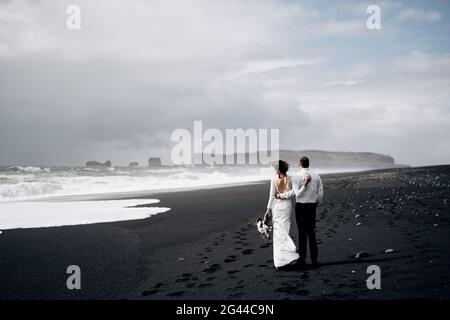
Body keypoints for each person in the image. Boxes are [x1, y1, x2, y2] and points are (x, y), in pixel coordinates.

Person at [277, 156, 323, 268]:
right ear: (308, 164)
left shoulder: (296, 176)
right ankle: (314, 259)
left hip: (301, 206)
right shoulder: (316, 176)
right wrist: (317, 202)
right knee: (311, 232)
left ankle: (302, 259)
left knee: (302, 233)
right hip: (311, 206)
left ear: (300, 164)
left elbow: (297, 193)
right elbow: (320, 193)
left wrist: (281, 195)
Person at [264, 160, 300, 270]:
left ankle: (285, 259)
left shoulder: (289, 179)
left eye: (275, 169)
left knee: (281, 232)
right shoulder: (279, 179)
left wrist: (281, 196)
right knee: (281, 232)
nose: (274, 171)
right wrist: (268, 210)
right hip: (281, 207)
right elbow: (292, 192)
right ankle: (283, 260)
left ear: (279, 170)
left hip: (281, 206)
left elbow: (294, 191)